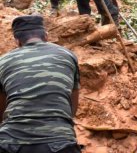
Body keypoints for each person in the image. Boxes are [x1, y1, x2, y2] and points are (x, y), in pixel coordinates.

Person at [0, 15, 80, 153]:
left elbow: (1, 109)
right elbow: (73, 100)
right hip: (60, 142)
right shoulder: (68, 55)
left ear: (17, 41)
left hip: (12, 142)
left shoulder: (3, 61)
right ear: (46, 36)